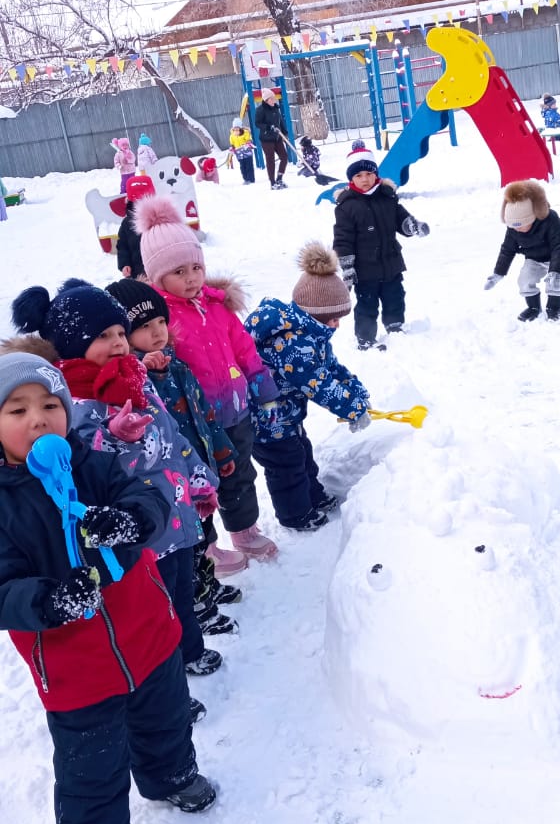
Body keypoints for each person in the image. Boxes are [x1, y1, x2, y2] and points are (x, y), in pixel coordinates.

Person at [0, 352, 216, 824]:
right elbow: (3, 588)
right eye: (18, 410)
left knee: (165, 719)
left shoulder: (91, 464)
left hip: (147, 635)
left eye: (50, 406)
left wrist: (129, 522)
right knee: (89, 768)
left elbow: (148, 494)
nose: (39, 419)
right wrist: (46, 600)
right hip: (75, 668)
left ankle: (170, 777)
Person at [9, 279, 224, 708]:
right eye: (102, 337)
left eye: (121, 333)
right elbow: (81, 464)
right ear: (72, 345)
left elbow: (171, 434)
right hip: (133, 534)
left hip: (172, 512)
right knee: (154, 610)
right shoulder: (70, 401)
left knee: (182, 591)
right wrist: (112, 434)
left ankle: (189, 653)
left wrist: (197, 475)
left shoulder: (137, 379)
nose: (118, 343)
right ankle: (169, 682)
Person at [136, 194, 279, 572]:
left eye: (195, 267)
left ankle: (244, 529)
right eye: (178, 271)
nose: (191, 278)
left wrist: (261, 383)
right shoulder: (162, 319)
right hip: (194, 423)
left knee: (241, 473)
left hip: (235, 411)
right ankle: (207, 545)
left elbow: (243, 349)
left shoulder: (217, 306)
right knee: (200, 485)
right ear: (156, 277)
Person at [105, 278, 243, 635]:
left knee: (205, 535)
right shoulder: (135, 381)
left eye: (161, 322)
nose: (157, 333)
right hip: (172, 483)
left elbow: (202, 412)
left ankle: (207, 587)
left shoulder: (176, 363)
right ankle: (197, 605)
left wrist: (222, 449)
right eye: (144, 327)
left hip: (198, 472)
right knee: (189, 546)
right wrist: (146, 372)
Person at [245, 243, 371, 530]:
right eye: (334, 319)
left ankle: (312, 496)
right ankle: (296, 515)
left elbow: (331, 368)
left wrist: (357, 392)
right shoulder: (293, 344)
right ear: (315, 315)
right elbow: (320, 384)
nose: (337, 326)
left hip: (286, 416)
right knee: (287, 468)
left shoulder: (310, 335)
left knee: (302, 455)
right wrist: (353, 409)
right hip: (266, 421)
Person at [333, 146, 429, 350]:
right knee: (367, 306)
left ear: (376, 173)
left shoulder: (387, 196)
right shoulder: (347, 206)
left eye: (369, 173)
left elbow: (401, 218)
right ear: (351, 179)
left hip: (391, 263)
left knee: (395, 296)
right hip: (364, 270)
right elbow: (342, 239)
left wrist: (412, 226)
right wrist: (347, 267)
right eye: (359, 175)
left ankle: (395, 327)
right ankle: (365, 338)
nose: (365, 179)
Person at [484, 180, 560, 322]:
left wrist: (556, 271)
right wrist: (498, 273)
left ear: (532, 218)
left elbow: (559, 246)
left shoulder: (550, 220)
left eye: (520, 226)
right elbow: (507, 250)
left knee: (556, 282)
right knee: (524, 280)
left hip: (558, 255)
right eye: (512, 226)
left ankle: (554, 307)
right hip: (534, 257)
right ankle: (533, 307)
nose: (516, 230)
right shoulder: (514, 228)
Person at [116, 173, 156, 278]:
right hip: (138, 273)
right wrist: (125, 264)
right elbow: (122, 246)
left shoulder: (160, 217)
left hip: (162, 270)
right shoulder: (127, 223)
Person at [254, 88, 288, 189]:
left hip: (277, 137)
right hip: (266, 139)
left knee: (284, 157)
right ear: (266, 100)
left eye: (274, 98)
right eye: (272, 98)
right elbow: (257, 123)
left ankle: (279, 178)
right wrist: (268, 127)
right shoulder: (260, 110)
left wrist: (285, 132)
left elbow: (280, 121)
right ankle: (272, 182)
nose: (274, 100)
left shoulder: (275, 108)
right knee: (270, 160)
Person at [228, 118, 255, 184]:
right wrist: (232, 148)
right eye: (235, 129)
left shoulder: (245, 133)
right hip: (239, 154)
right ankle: (245, 179)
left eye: (238, 129)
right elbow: (232, 143)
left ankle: (251, 179)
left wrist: (248, 143)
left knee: (249, 166)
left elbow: (249, 139)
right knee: (242, 167)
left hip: (247, 153)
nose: (236, 131)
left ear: (241, 129)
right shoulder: (232, 136)